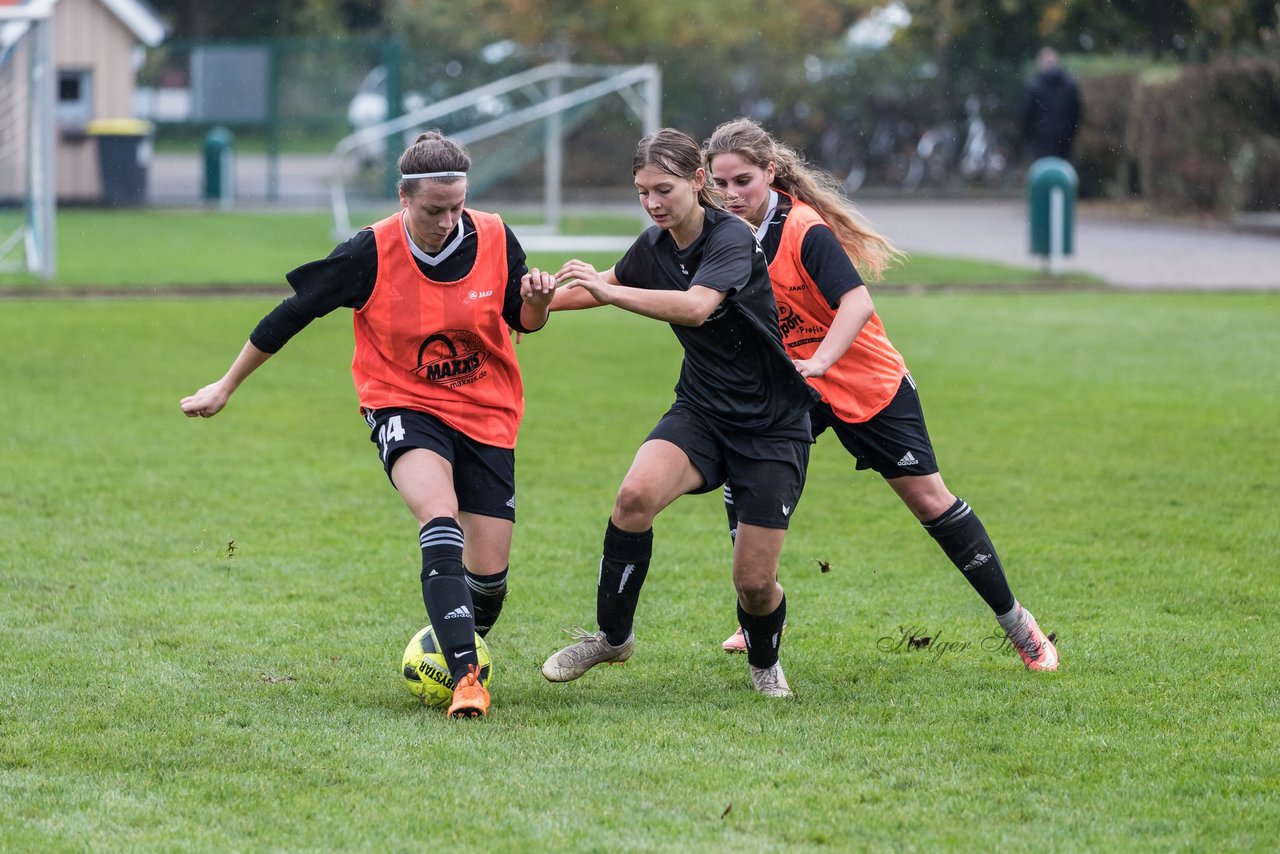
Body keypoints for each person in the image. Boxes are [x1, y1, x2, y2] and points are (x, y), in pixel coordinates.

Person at [179, 131, 557, 716]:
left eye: (457, 206)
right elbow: (292, 314)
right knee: (438, 516)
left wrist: (536, 299)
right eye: (434, 210)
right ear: (404, 198)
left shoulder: (495, 235)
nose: (448, 221)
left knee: (489, 581)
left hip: (488, 412)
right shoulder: (369, 252)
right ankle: (466, 680)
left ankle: (457, 640)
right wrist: (225, 384)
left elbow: (523, 322)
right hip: (402, 402)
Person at [704, 117, 1058, 671]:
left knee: (930, 501)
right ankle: (757, 618)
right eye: (719, 184)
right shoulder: (721, 233)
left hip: (866, 381)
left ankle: (1019, 625)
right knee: (743, 475)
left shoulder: (804, 229)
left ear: (771, 173)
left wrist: (820, 361)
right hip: (794, 384)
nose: (730, 195)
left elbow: (858, 304)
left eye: (742, 181)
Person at [539, 128, 821, 698]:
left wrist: (608, 292)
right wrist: (534, 299)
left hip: (772, 425)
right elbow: (604, 285)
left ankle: (764, 663)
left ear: (697, 181)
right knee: (633, 498)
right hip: (702, 410)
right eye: (642, 192)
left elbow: (695, 307)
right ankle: (612, 638)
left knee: (755, 583)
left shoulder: (733, 238)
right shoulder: (654, 245)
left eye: (663, 189)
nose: (652, 203)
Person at [1019, 47, 1082, 162]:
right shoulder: (1069, 84)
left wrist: (1027, 136)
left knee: (1043, 172)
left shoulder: (1034, 85)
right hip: (1064, 139)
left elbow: (1026, 113)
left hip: (1040, 138)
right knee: (1062, 173)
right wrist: (1071, 133)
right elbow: (1076, 112)